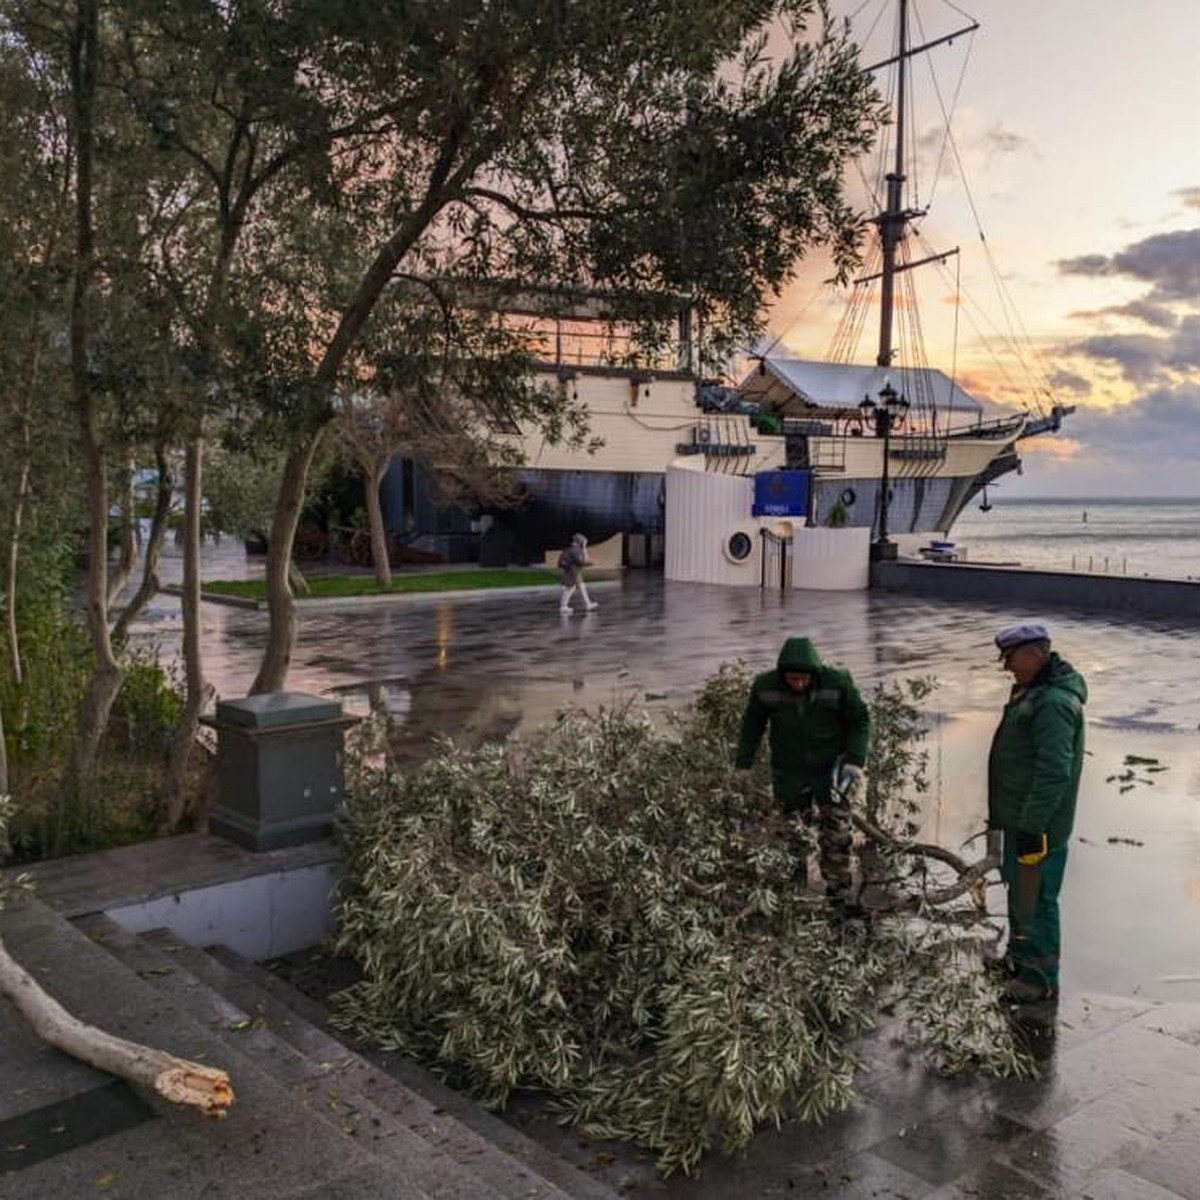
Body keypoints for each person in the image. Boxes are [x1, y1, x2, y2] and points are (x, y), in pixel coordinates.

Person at [988, 622, 1087, 1004]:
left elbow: (1053, 773)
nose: (1006, 667)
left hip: (1037, 827)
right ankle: (1018, 962)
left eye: (1010, 658)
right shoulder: (1035, 693)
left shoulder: (1053, 704)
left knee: (1037, 899)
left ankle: (1040, 980)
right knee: (1021, 894)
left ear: (1034, 653)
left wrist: (1031, 826)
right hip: (1021, 819)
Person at [734, 637, 870, 901]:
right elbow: (752, 725)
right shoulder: (765, 687)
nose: (797, 683)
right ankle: (792, 891)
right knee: (791, 831)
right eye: (792, 678)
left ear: (814, 674)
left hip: (832, 770)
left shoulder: (837, 682)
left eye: (803, 679)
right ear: (783, 674)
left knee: (837, 833)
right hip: (790, 771)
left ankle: (838, 891)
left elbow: (860, 721)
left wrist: (855, 759)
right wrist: (743, 764)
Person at [557, 533, 598, 614]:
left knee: (581, 587)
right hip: (573, 572)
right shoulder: (576, 550)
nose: (584, 544)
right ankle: (563, 606)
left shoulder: (569, 549)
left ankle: (588, 604)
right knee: (570, 589)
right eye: (584, 542)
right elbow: (582, 562)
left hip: (572, 571)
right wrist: (590, 563)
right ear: (580, 542)